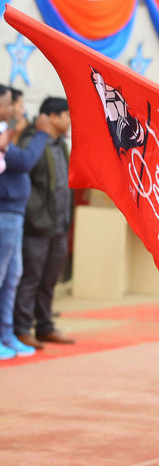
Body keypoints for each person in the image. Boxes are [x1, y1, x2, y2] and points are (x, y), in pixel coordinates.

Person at [14, 97, 72, 350]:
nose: (70, 121)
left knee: (50, 278)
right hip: (38, 224)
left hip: (59, 225)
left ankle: (45, 326)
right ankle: (21, 328)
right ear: (51, 117)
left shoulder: (62, 145)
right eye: (66, 115)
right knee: (31, 278)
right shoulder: (32, 142)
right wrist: (34, 215)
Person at [0, 86, 53, 359]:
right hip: (6, 212)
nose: (18, 111)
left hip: (15, 213)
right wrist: (40, 134)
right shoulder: (4, 134)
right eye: (14, 105)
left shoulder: (8, 133)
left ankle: (6, 334)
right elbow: (23, 161)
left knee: (12, 278)